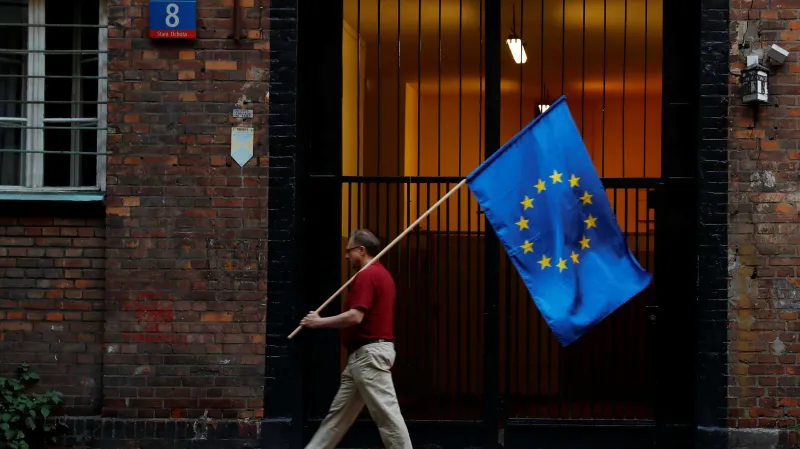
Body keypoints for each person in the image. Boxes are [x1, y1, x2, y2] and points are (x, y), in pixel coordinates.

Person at [300, 229, 413, 449]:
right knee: (337, 418)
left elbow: (355, 316)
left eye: (348, 251)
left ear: (361, 250)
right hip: (362, 357)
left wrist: (318, 322)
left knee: (388, 417)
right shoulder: (380, 274)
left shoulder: (367, 274)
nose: (346, 256)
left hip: (368, 357)